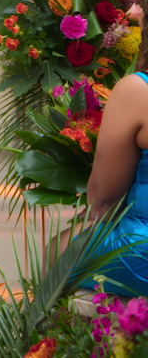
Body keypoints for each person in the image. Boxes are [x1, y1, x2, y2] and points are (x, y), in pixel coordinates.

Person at [80, 39, 148, 297]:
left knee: (56, 251)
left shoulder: (137, 90)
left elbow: (104, 199)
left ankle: (62, 337)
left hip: (142, 249)